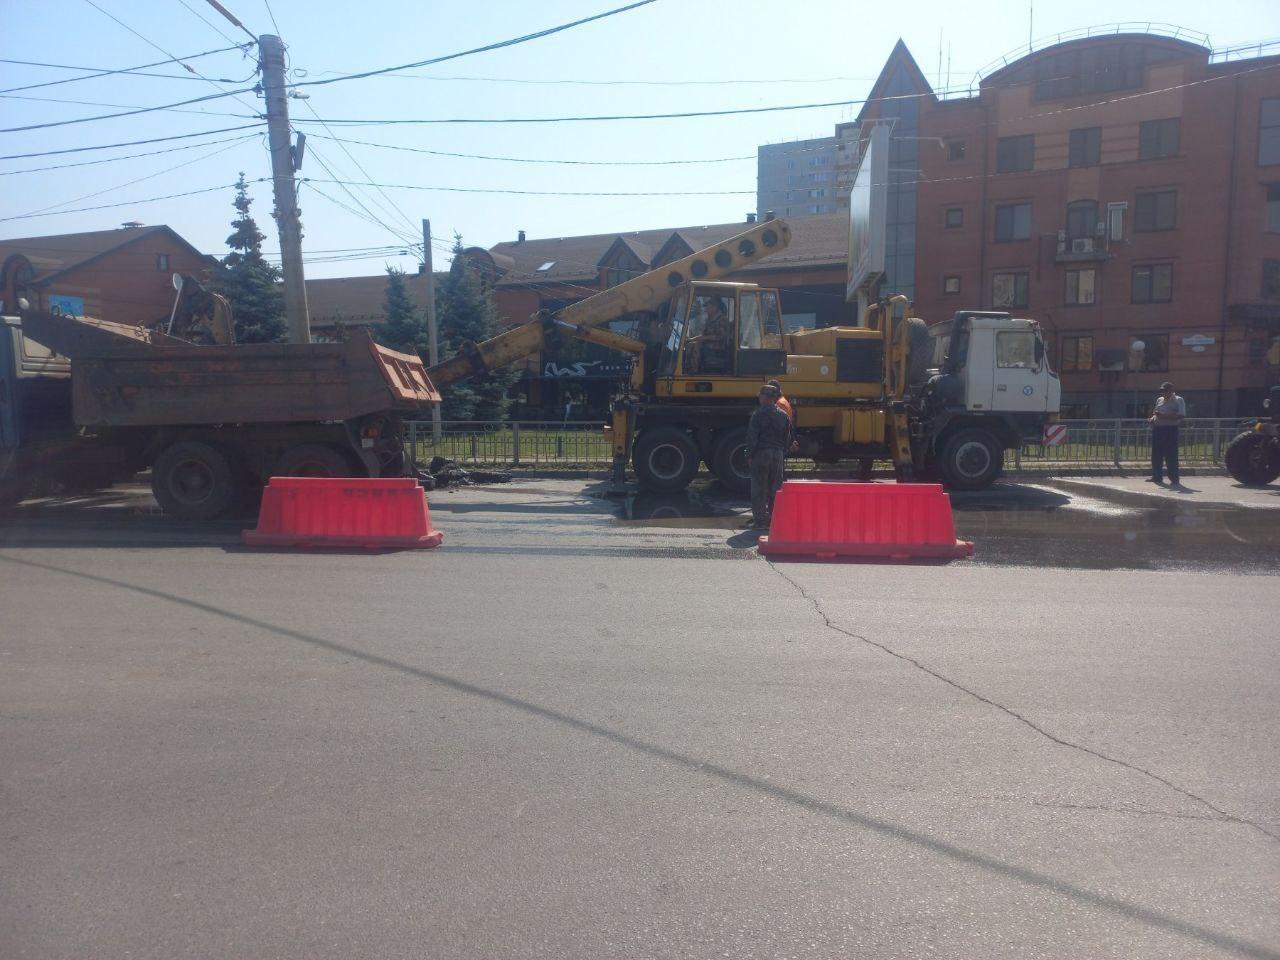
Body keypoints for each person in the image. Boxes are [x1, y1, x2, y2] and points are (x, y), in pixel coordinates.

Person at [746, 384, 793, 529]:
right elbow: (787, 438)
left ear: (766, 397)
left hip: (761, 453)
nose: (759, 398)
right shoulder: (783, 415)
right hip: (777, 454)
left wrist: (750, 454)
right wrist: (782, 451)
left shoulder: (758, 414)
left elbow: (752, 437)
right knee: (775, 488)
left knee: (759, 487)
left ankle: (760, 520)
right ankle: (773, 518)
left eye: (760, 395)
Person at [1148, 380, 1186, 486]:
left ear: (1171, 390)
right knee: (1156, 455)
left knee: (1171, 455)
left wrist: (1163, 416)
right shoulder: (1159, 399)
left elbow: (1181, 416)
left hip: (1170, 429)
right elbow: (1156, 413)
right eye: (1162, 391)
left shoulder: (1178, 400)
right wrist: (1152, 419)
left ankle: (1174, 479)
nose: (1163, 393)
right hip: (1158, 429)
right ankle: (1156, 476)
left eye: (1165, 391)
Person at [690, 297, 731, 374]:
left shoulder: (723, 320)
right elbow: (704, 334)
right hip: (708, 347)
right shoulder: (709, 319)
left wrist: (702, 338)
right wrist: (693, 338)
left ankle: (694, 372)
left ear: (714, 307)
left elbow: (720, 336)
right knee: (690, 344)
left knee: (696, 346)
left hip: (718, 349)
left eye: (707, 307)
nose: (706, 310)